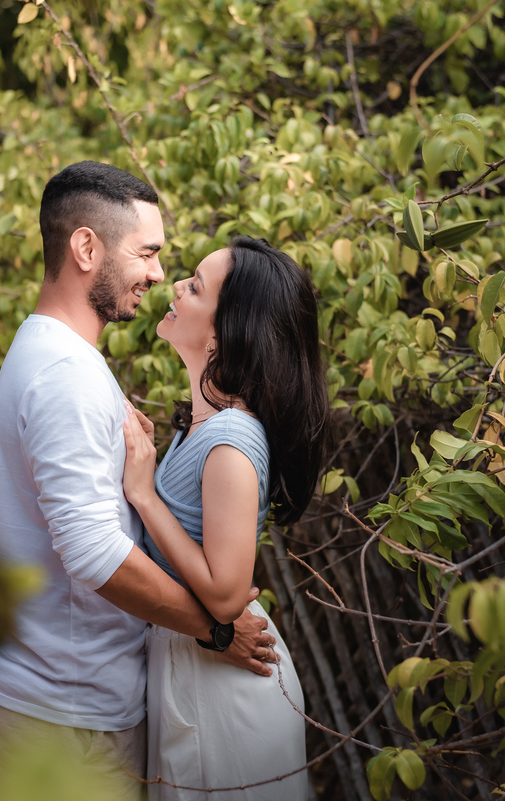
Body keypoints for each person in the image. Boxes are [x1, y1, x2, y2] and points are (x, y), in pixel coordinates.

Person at [0, 162, 279, 800]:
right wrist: (214, 628)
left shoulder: (56, 354)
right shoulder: (66, 372)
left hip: (61, 694)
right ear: (86, 248)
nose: (156, 275)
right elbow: (92, 551)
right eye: (147, 253)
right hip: (68, 713)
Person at [122, 236, 330, 801]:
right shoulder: (207, 428)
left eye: (194, 286)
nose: (174, 288)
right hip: (199, 666)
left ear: (222, 332)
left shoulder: (233, 440)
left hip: (225, 689)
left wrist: (145, 497)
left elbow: (225, 592)